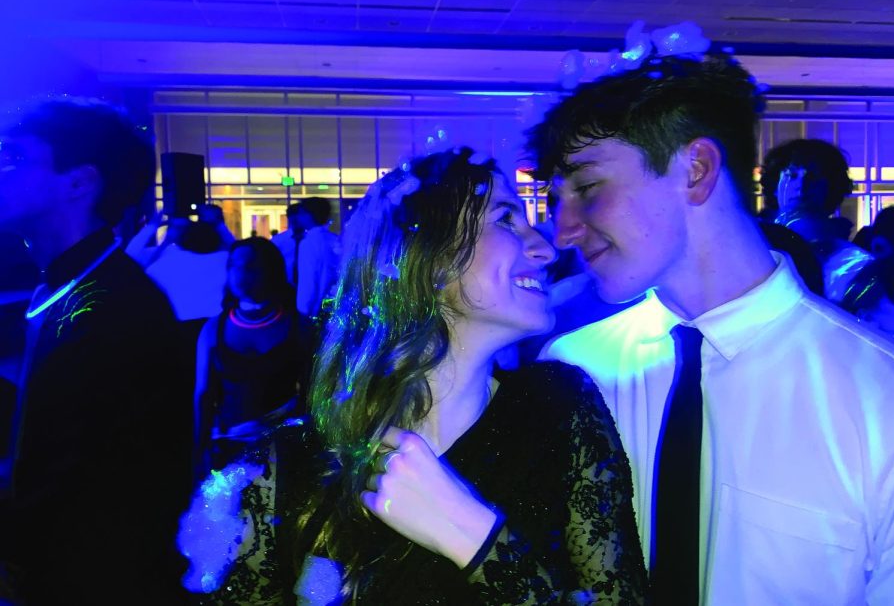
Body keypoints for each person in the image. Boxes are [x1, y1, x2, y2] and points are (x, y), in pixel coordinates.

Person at [529, 25, 894, 605]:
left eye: (588, 186)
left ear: (695, 169)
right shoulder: (571, 369)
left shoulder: (884, 395)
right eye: (557, 199)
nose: (563, 230)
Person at [179, 147, 647, 603]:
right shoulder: (286, 468)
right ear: (430, 258)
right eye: (506, 218)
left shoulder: (561, 410)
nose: (545, 249)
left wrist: (472, 534)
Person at [0, 98, 192, 604]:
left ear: (79, 182)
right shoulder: (69, 288)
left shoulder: (115, 308)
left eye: (15, 157)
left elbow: (95, 486)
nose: (2, 169)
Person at [194, 236, 316, 478]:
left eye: (249, 266)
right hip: (227, 454)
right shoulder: (213, 329)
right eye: (233, 265)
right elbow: (203, 395)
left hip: (283, 454)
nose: (239, 273)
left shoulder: (299, 327)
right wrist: (198, 452)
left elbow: (312, 393)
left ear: (270, 271)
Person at [760, 138, 871, 301]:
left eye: (814, 176)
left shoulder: (853, 264)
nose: (802, 185)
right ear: (774, 185)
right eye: (792, 175)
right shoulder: (752, 245)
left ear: (831, 187)